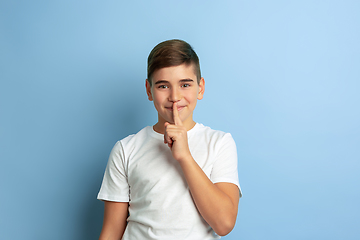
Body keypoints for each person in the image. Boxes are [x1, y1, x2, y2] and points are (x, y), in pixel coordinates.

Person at [97, 39, 242, 240]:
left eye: (185, 84)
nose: (175, 96)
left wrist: (185, 157)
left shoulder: (219, 143)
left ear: (200, 88)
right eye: (163, 86)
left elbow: (224, 224)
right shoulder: (126, 149)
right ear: (149, 90)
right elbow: (111, 232)